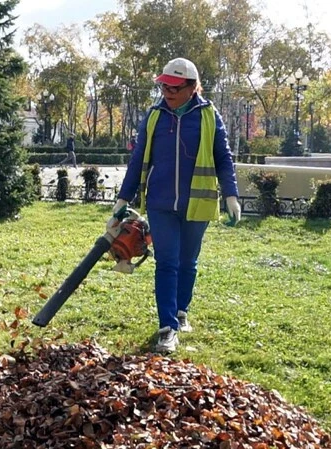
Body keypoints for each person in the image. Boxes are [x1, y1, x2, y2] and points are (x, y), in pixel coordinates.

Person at [106, 57, 242, 353]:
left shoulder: (209, 115)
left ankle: (181, 311)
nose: (167, 92)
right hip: (161, 203)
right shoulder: (154, 115)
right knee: (167, 262)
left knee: (187, 262)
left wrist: (231, 195)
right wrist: (122, 199)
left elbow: (223, 157)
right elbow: (138, 158)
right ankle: (167, 328)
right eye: (164, 86)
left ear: (192, 87)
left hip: (198, 202)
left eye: (174, 87)